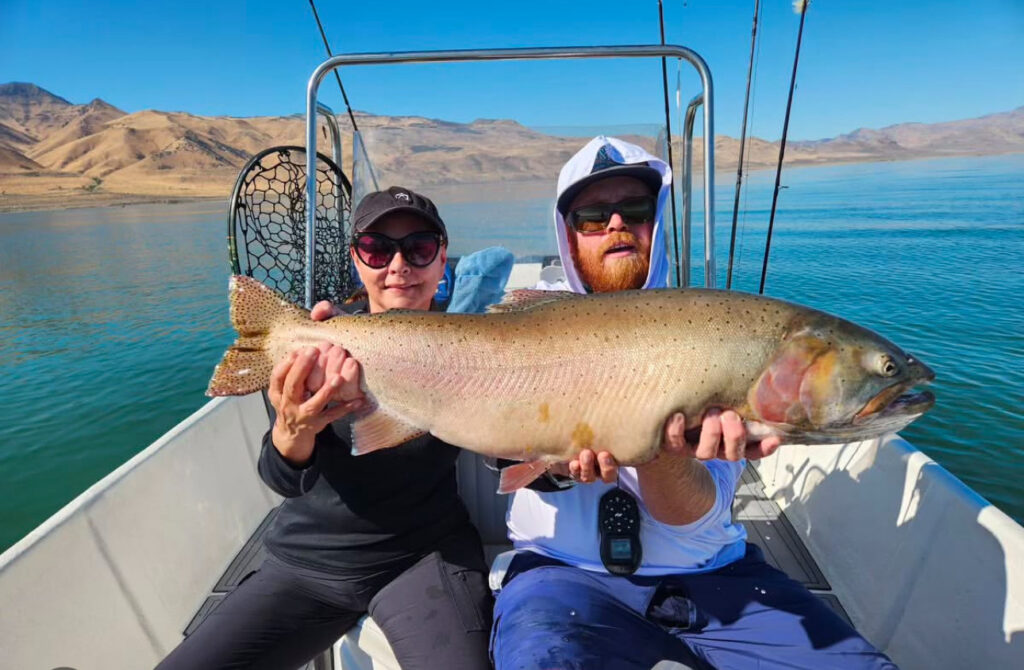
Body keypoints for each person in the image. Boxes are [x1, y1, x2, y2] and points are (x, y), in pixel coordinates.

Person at [490, 136, 898, 670]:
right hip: (559, 577)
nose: (615, 225)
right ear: (569, 235)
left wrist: (661, 452)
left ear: (654, 224)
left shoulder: (715, 336)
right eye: (593, 216)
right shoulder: (522, 334)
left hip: (714, 575)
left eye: (633, 210)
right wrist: (556, 468)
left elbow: (691, 518)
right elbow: (496, 450)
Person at [158, 187, 493, 670]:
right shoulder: (320, 347)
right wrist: (294, 428)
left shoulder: (475, 346)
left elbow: (507, 444)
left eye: (418, 248)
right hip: (307, 561)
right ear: (357, 260)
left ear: (443, 259)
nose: (398, 264)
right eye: (378, 249)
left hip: (426, 555)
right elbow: (282, 478)